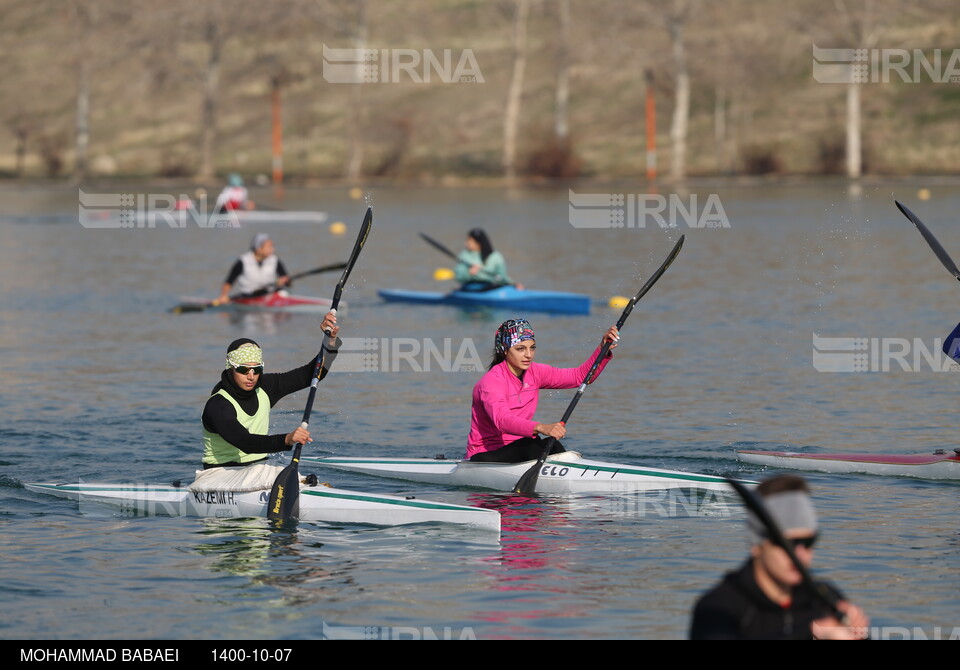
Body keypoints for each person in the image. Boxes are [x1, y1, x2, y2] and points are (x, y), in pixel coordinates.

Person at [689, 474, 869, 640]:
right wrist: (810, 632)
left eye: (808, 542)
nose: (799, 555)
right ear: (757, 546)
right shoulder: (717, 608)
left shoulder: (826, 599)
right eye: (788, 544)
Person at [190, 312, 340, 492]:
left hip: (257, 472)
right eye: (244, 370)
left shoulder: (265, 387)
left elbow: (312, 374)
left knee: (274, 472)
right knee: (273, 473)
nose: (251, 376)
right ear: (231, 369)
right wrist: (287, 439)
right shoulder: (218, 405)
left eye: (256, 369)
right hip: (218, 476)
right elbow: (244, 441)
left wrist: (328, 343)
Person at [467, 318, 619, 463]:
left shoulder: (536, 372)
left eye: (532, 348)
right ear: (504, 350)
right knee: (533, 444)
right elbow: (502, 420)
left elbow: (580, 377)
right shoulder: (491, 382)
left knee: (549, 444)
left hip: (521, 450)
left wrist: (602, 350)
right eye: (520, 349)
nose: (528, 355)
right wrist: (541, 427)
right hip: (486, 455)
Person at [217, 233, 290, 304]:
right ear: (258, 248)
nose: (273, 250)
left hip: (270, 294)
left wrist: (284, 281)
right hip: (249, 296)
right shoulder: (242, 262)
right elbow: (229, 282)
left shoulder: (275, 260)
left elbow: (288, 282)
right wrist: (223, 296)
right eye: (269, 247)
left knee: (283, 292)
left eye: (272, 246)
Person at [454, 228, 523, 290]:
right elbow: (458, 277)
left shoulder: (496, 257)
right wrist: (469, 273)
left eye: (469, 240)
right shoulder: (464, 255)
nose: (466, 243)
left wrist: (513, 284)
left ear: (478, 243)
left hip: (491, 287)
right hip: (471, 287)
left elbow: (502, 277)